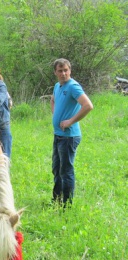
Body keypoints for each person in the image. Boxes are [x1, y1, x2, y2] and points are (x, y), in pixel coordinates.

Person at [50, 58, 94, 208]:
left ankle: (66, 206)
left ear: (70, 71)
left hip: (69, 137)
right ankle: (55, 200)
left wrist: (70, 121)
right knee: (56, 169)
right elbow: (53, 100)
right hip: (58, 135)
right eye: (60, 71)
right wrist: (56, 115)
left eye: (66, 70)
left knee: (66, 171)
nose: (63, 73)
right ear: (55, 72)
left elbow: (88, 105)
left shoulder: (73, 86)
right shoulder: (58, 85)